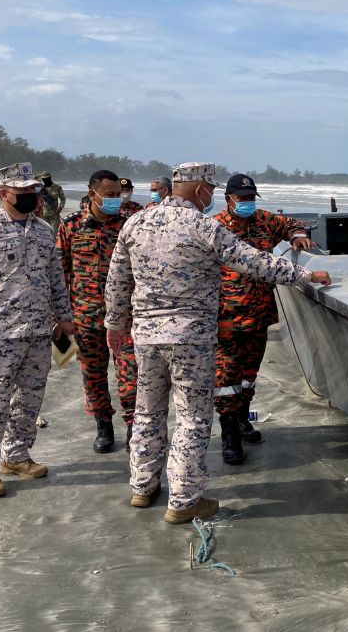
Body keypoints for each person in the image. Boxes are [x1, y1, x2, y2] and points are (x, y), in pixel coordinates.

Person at [104, 162, 332, 524]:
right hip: (190, 339)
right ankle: (184, 501)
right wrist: (305, 274)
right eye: (210, 190)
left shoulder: (135, 223)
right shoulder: (202, 225)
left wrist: (115, 325)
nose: (210, 197)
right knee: (192, 419)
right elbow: (254, 262)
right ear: (200, 190)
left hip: (146, 338)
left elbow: (117, 281)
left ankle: (143, 487)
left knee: (148, 413)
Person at [0, 162, 76, 498]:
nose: (30, 196)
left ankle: (16, 456)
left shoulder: (43, 230)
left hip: (39, 331)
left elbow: (55, 277)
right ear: (3, 193)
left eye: (32, 191)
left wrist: (64, 317)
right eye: (21, 191)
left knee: (29, 399)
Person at [213, 174, 313, 464]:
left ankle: (242, 419)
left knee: (248, 375)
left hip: (258, 316)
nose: (247, 203)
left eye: (251, 198)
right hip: (227, 319)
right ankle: (229, 434)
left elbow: (292, 223)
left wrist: (297, 235)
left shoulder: (265, 221)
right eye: (242, 198)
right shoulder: (215, 226)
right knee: (226, 379)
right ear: (229, 199)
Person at [56, 170, 139, 453]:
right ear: (93, 194)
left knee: (131, 377)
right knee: (93, 377)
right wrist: (61, 317)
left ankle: (133, 428)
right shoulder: (71, 227)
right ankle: (103, 426)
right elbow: (60, 273)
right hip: (85, 318)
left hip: (125, 320)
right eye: (110, 194)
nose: (116, 199)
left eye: (118, 194)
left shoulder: (129, 227)